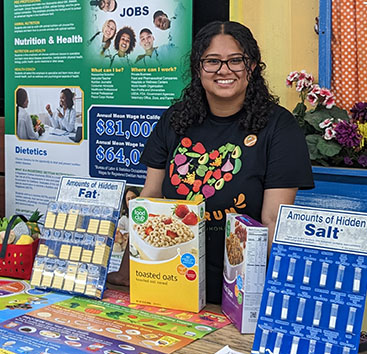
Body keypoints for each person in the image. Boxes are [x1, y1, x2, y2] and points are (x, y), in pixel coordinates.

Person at [107, 21, 314, 303]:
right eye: (212, 61)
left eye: (236, 61)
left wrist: (262, 296)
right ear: (198, 68)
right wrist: (129, 272)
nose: (224, 70)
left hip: (241, 289)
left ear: (251, 66)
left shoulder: (279, 127)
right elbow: (150, 199)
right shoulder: (174, 120)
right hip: (173, 278)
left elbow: (273, 220)